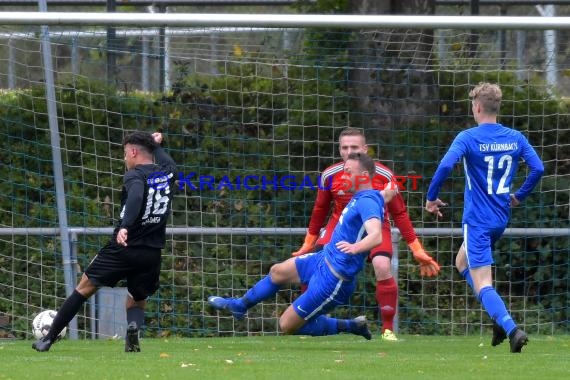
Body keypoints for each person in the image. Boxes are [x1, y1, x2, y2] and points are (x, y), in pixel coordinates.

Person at [208, 153, 398, 339]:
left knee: (286, 326)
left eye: (348, 172)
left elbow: (376, 236)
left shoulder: (367, 201)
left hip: (334, 278)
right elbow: (385, 194)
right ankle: (239, 306)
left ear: (364, 176)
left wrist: (355, 248)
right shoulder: (369, 196)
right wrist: (390, 188)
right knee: (277, 272)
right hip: (322, 259)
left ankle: (350, 326)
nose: (343, 176)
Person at [425, 82, 544, 353]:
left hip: (477, 220)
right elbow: (538, 168)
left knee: (482, 282)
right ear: (496, 107)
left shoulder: (468, 137)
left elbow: (445, 165)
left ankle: (511, 328)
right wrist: (519, 196)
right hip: (500, 218)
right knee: (461, 261)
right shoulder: (515, 137)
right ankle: (497, 318)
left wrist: (431, 198)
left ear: (477, 108)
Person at [32, 131, 177, 353]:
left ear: (133, 151)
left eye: (125, 153)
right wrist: (156, 146)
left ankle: (48, 339)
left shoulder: (134, 175)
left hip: (123, 246)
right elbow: (171, 164)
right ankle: (132, 328)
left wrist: (126, 226)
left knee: (84, 287)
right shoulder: (167, 174)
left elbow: (137, 196)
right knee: (138, 298)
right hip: (151, 251)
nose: (125, 158)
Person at [292, 127, 440, 341]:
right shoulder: (329, 175)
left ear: (365, 149)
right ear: (339, 149)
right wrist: (308, 244)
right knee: (313, 264)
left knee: (382, 265)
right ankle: (311, 320)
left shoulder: (386, 176)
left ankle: (387, 329)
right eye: (344, 147)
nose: (349, 151)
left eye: (354, 147)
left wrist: (417, 249)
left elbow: (399, 212)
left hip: (376, 227)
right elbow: (319, 211)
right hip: (340, 226)